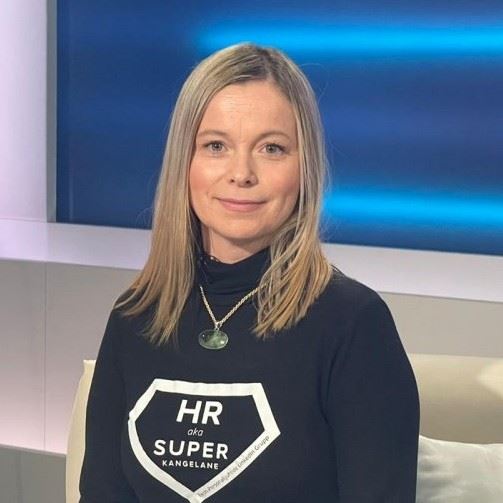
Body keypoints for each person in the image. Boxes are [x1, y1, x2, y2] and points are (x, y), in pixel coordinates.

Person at [79, 42, 420, 502]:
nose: (241, 173)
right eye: (216, 146)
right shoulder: (135, 316)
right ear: (185, 163)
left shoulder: (353, 323)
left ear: (304, 168)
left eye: (271, 148)